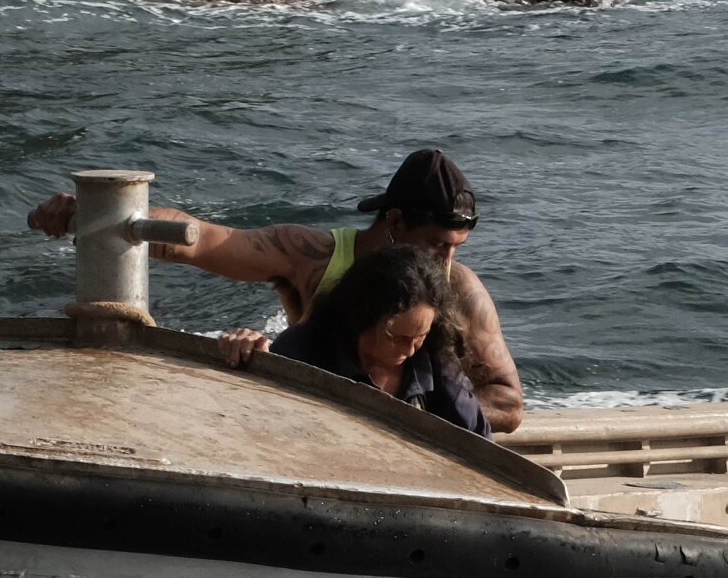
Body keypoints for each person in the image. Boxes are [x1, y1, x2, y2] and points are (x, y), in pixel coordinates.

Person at [29, 147, 526, 426]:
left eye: (456, 245)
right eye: (437, 244)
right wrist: (101, 213)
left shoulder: (458, 288)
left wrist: (406, 419)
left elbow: (507, 402)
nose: (448, 261)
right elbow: (205, 241)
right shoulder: (311, 257)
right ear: (394, 221)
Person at [223, 242, 489, 433]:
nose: (409, 349)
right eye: (396, 336)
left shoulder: (435, 365)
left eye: (420, 336)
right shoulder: (306, 347)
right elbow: (256, 419)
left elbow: (481, 445)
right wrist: (250, 358)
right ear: (363, 317)